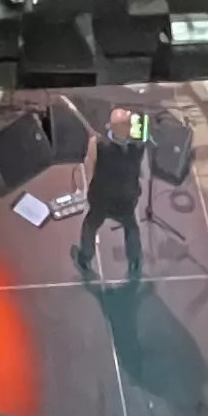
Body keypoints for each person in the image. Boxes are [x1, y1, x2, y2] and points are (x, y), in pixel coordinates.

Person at [73, 104, 148, 284]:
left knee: (90, 226)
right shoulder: (139, 145)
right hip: (126, 198)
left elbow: (89, 166)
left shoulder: (98, 144)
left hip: (101, 198)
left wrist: (86, 189)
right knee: (131, 227)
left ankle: (84, 258)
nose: (128, 112)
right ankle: (135, 262)